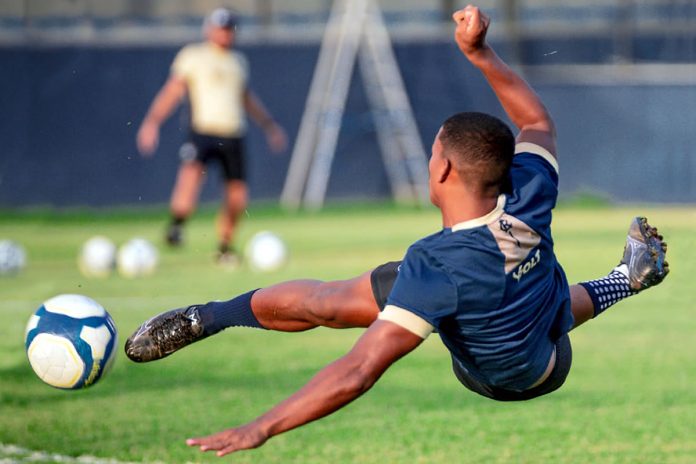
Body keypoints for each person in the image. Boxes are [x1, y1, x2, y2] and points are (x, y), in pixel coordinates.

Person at [125, 6, 669, 457]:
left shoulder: (436, 266)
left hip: (506, 378)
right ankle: (626, 277)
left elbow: (359, 369)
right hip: (539, 329)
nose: (429, 155)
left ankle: (214, 315)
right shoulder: (529, 186)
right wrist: (480, 54)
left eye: (434, 149)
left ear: (443, 172)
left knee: (349, 300)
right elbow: (537, 123)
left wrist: (262, 426)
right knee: (517, 292)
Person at [136, 7, 287, 264]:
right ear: (209, 29)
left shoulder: (238, 62)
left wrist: (269, 125)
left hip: (233, 134)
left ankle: (225, 247)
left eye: (228, 29)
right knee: (190, 181)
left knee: (237, 196)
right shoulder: (193, 56)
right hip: (203, 131)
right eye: (220, 28)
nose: (225, 34)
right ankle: (177, 224)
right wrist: (152, 122)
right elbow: (172, 92)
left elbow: (246, 99)